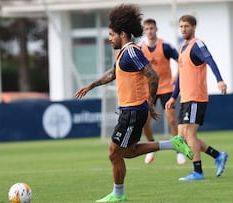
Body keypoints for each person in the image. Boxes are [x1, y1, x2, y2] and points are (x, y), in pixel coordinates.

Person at [75, 4, 193, 202]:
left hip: (133, 111)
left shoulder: (131, 52)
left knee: (115, 153)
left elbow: (152, 75)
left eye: (111, 34)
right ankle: (173, 143)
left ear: (122, 33)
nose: (109, 38)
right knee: (127, 152)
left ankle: (118, 195)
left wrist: (150, 104)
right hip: (129, 111)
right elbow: (113, 73)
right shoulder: (123, 53)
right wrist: (92, 85)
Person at [165, 15, 229, 181]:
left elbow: (210, 60)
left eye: (186, 26)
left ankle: (198, 171)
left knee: (190, 134)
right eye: (181, 26)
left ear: (194, 27)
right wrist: (173, 97)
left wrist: (220, 80)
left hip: (196, 97)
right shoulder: (181, 47)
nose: (183, 29)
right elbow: (181, 76)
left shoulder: (197, 45)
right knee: (182, 138)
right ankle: (218, 155)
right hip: (185, 98)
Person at [141, 18, 186, 165]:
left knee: (172, 120)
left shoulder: (165, 46)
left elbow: (181, 60)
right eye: (147, 29)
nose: (149, 31)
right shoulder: (140, 48)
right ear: (144, 31)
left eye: (152, 28)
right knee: (144, 121)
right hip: (149, 90)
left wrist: (176, 76)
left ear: (156, 29)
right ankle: (151, 146)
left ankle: (179, 150)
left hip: (166, 87)